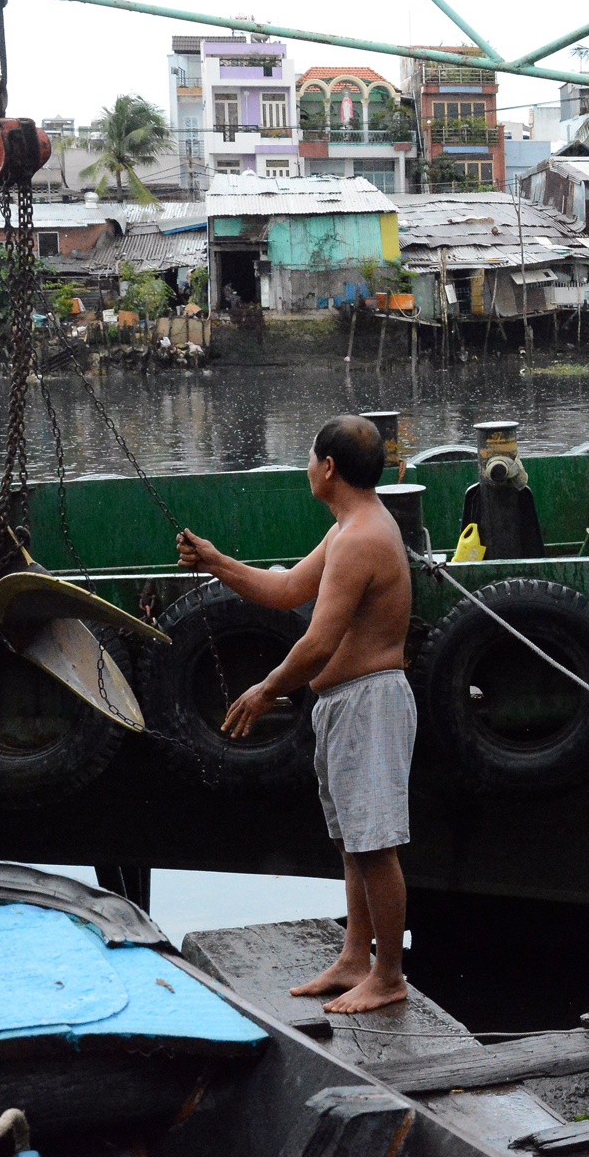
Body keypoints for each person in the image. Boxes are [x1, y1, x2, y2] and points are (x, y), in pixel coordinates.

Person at [177, 415, 416, 1014]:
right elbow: (286, 591)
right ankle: (355, 957)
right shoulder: (348, 529)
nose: (307, 466)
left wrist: (266, 690)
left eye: (310, 457)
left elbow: (318, 642)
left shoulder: (361, 537)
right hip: (345, 704)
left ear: (328, 468)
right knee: (352, 841)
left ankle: (389, 975)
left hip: (369, 703)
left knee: (375, 844)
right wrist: (217, 561)